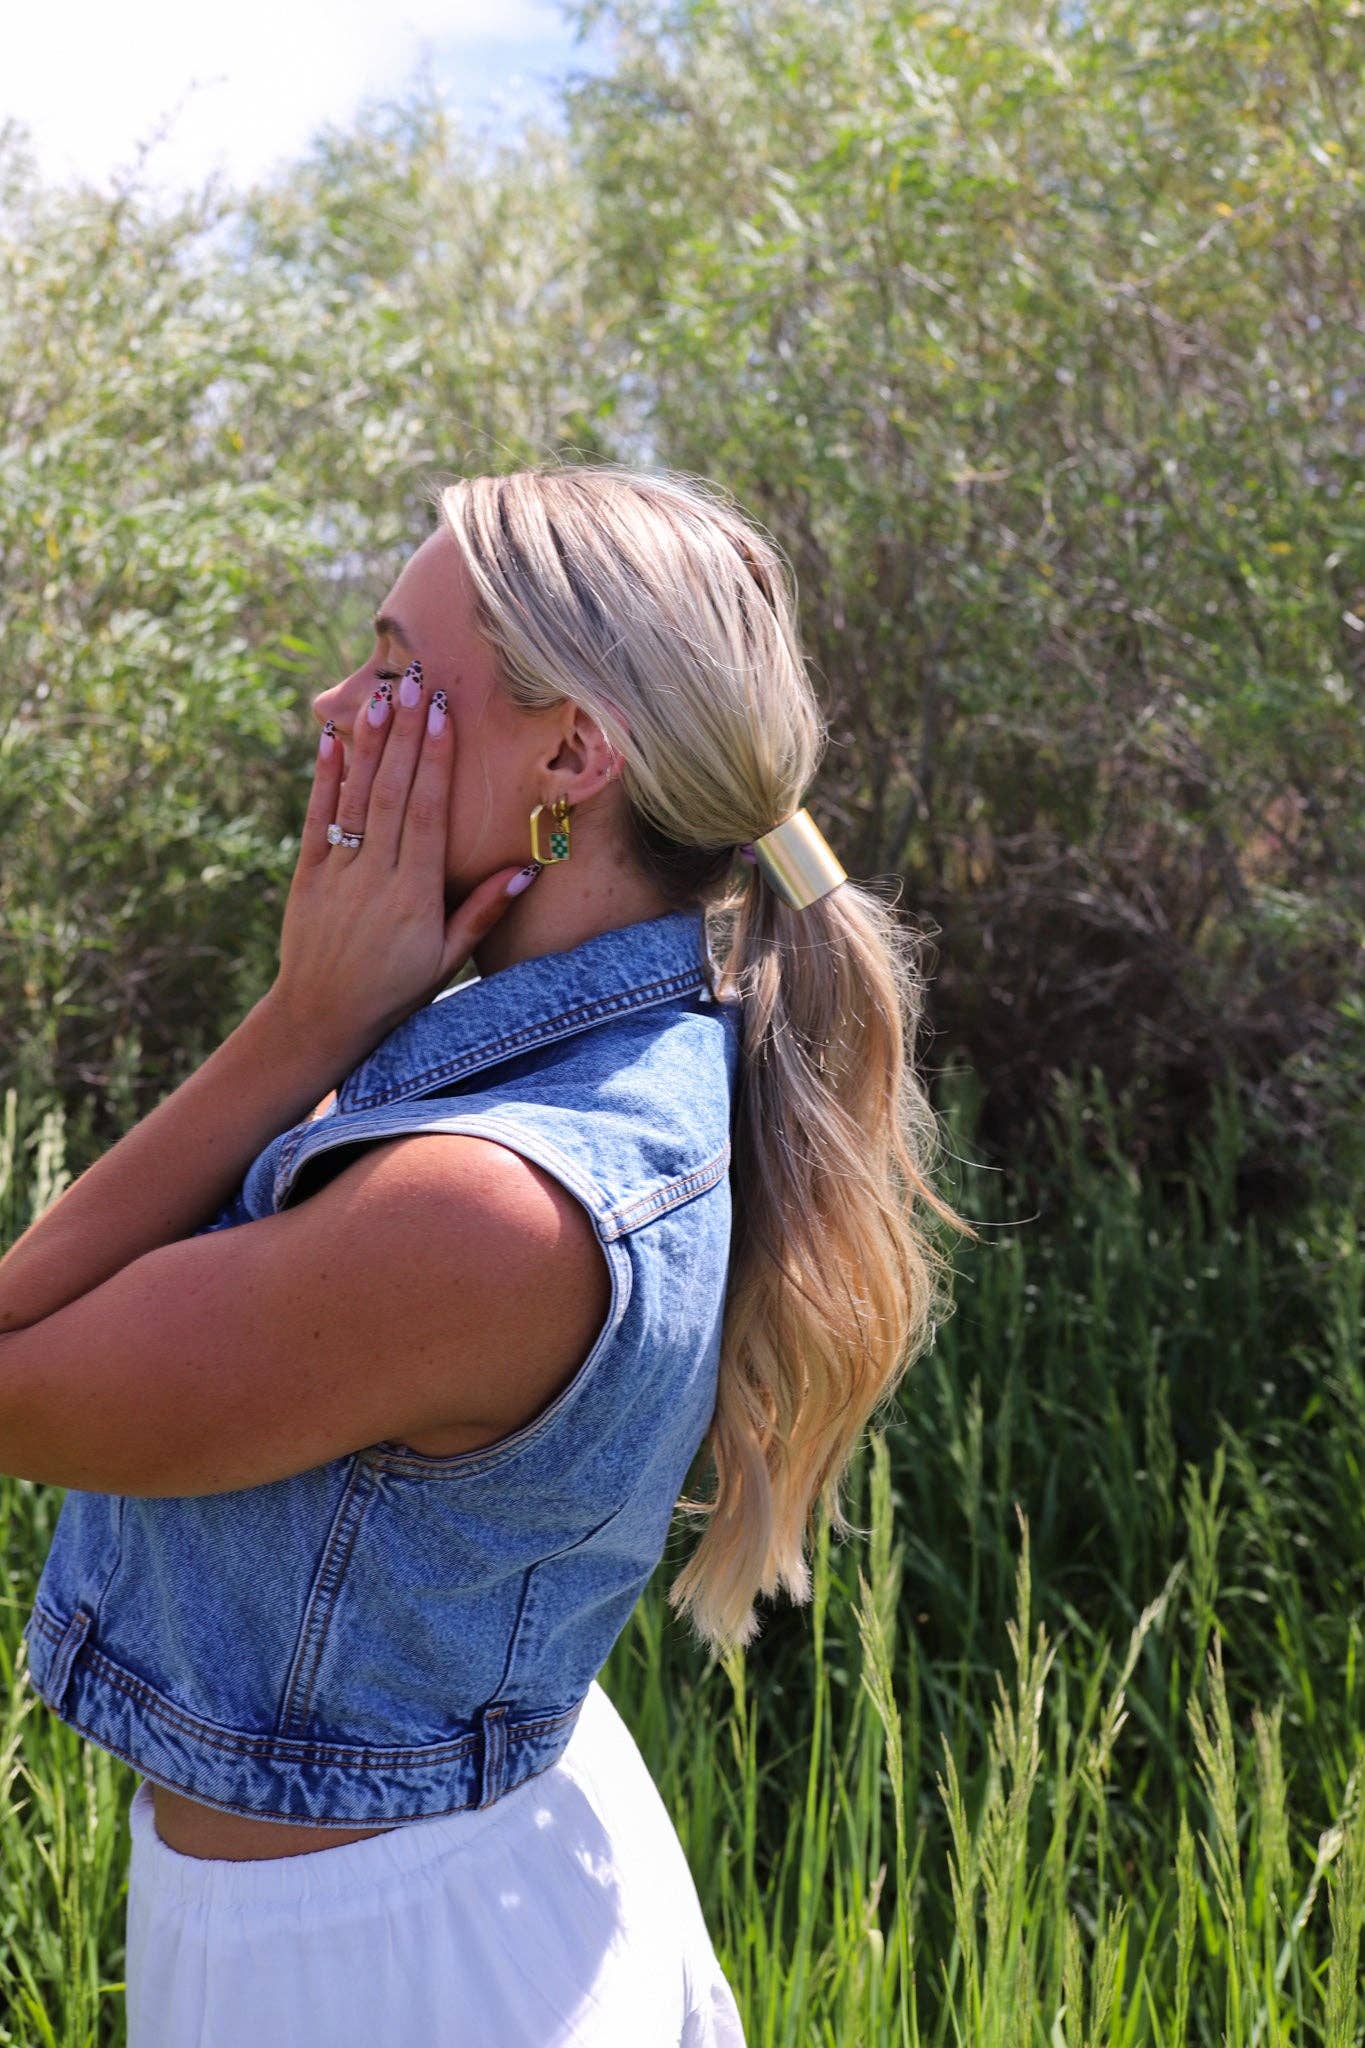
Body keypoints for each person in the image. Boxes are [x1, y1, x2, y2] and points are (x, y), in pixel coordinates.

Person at [0, 461, 975, 2044]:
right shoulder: (597, 1064)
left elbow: (13, 1379)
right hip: (445, 1884)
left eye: (391, 666)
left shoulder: (489, 1209)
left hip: (383, 1966)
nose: (335, 705)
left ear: (574, 755)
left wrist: (299, 1022)